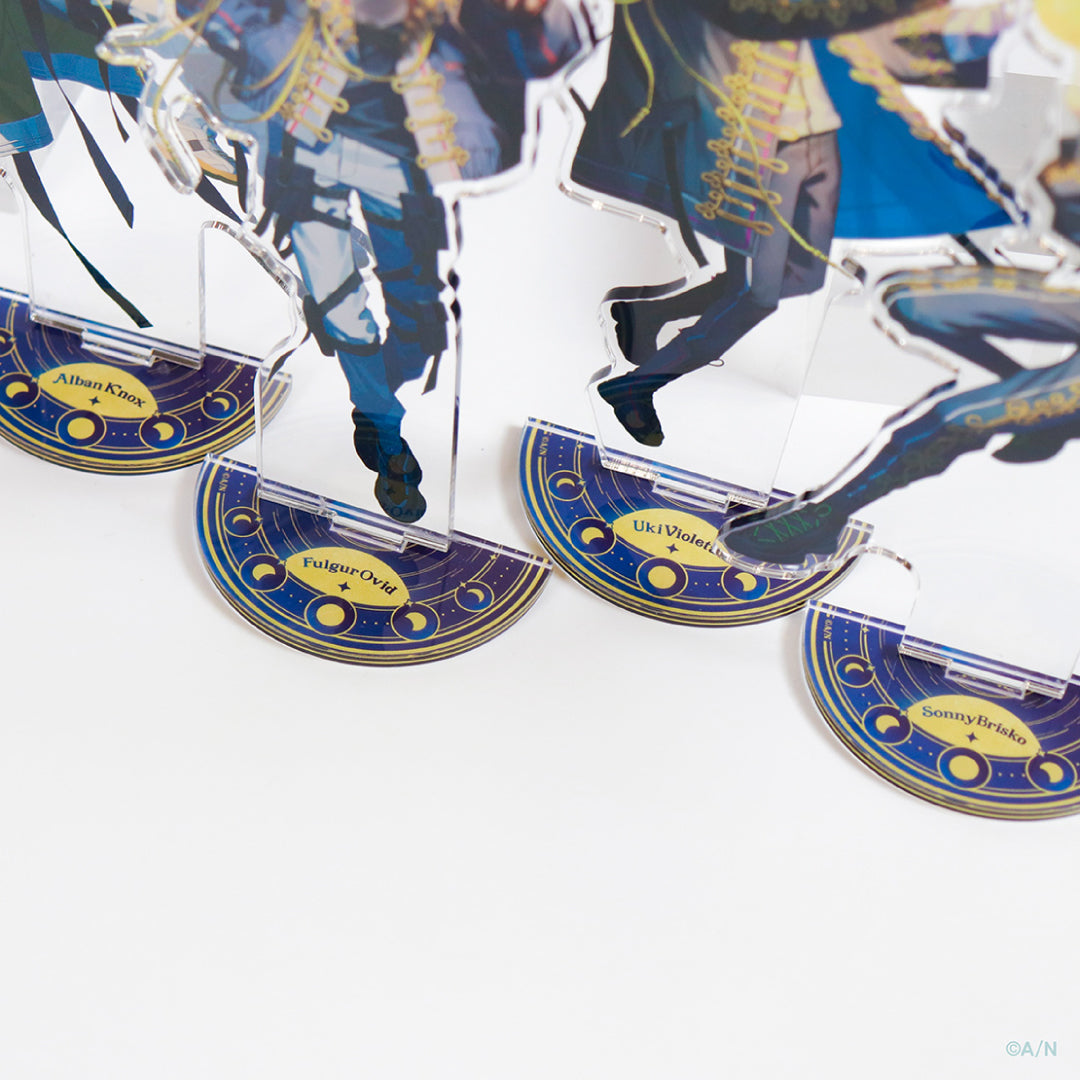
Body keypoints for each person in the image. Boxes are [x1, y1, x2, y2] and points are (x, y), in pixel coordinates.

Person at [173, 0, 581, 522]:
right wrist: (269, 47)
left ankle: (371, 402)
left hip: (404, 154)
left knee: (421, 325)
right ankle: (385, 431)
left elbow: (547, 52)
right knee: (340, 307)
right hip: (307, 144)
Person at [570, 0, 1012, 447]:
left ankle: (647, 314)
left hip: (819, 139)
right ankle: (637, 387)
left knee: (800, 276)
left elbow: (891, 59)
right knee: (754, 296)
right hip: (756, 147)